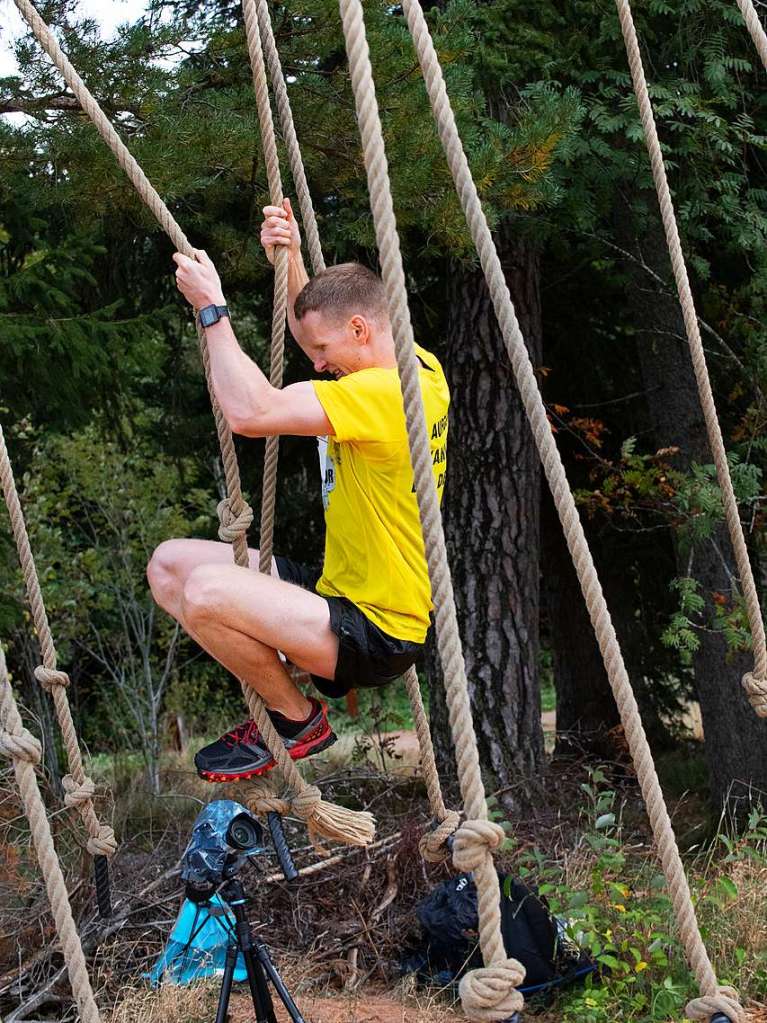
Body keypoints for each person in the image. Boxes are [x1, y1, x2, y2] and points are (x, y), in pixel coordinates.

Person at [146, 198, 450, 783]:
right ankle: (286, 667)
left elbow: (250, 412)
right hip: (335, 589)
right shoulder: (417, 369)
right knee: (170, 566)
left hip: (376, 629)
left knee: (207, 590)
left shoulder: (380, 398)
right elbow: (323, 321)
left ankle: (296, 717)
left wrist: (212, 309)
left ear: (361, 331)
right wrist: (290, 260)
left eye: (323, 355)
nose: (318, 364)